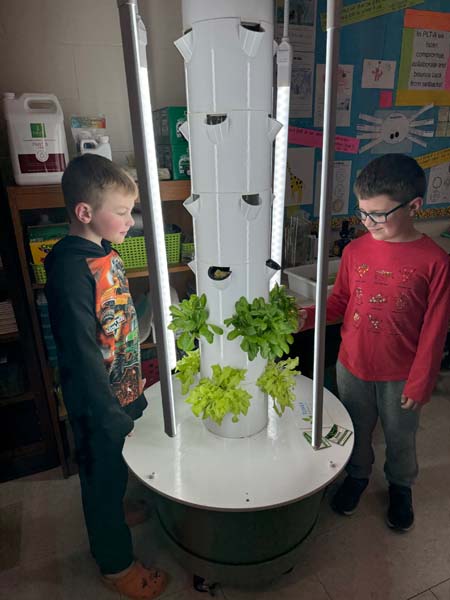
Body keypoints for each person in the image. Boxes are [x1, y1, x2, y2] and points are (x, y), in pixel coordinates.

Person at [298, 154, 450, 532]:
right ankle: (357, 476)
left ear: (414, 206)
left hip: (402, 374)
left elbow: (435, 331)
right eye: (363, 213)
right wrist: (302, 316)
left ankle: (400, 486)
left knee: (400, 435)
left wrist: (421, 381)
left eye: (378, 215)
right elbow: (339, 304)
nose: (368, 223)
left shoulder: (436, 262)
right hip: (352, 365)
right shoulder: (355, 251)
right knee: (355, 426)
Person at [45, 154, 168, 598]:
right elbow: (80, 352)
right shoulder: (69, 268)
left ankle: (115, 506)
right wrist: (106, 412)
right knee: (100, 483)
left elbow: (115, 318)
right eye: (122, 212)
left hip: (121, 390)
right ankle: (117, 566)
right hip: (97, 403)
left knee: (114, 474)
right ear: (85, 213)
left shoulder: (104, 251)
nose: (130, 221)